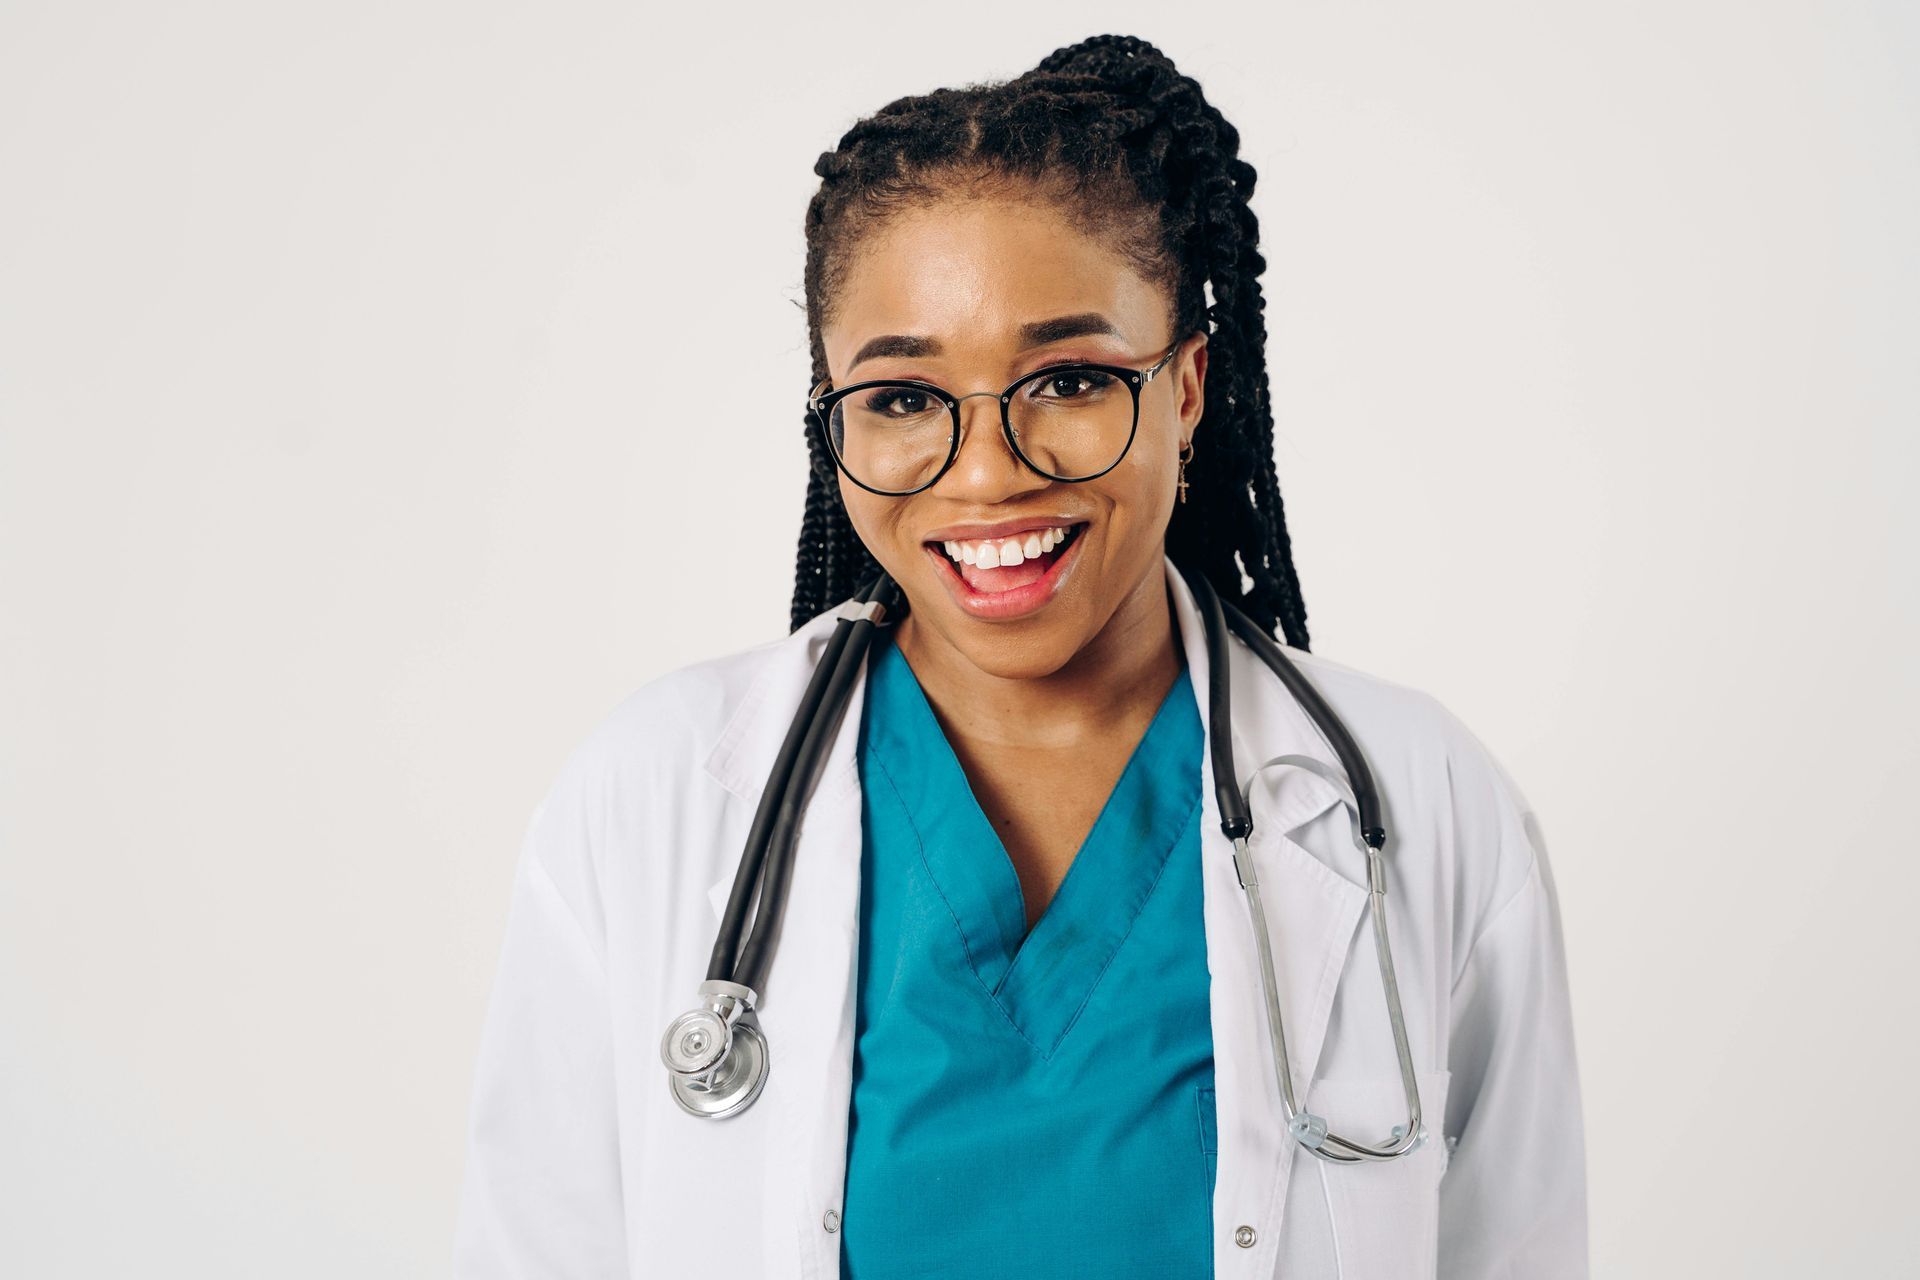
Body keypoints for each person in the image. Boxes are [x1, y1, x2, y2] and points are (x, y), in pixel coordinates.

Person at [454, 32, 1587, 1280]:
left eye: (1067, 380)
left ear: (1191, 385)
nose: (988, 470)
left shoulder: (1421, 804)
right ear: (831, 414)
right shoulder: (652, 799)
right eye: (901, 397)